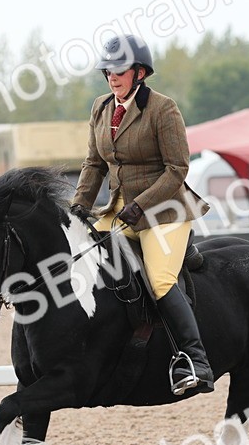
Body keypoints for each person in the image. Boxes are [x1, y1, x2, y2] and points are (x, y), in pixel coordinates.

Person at [70, 34, 213, 396]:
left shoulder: (163, 109)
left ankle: (195, 360)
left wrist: (140, 205)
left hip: (164, 212)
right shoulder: (101, 108)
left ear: (139, 72)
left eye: (119, 71)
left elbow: (177, 169)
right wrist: (78, 208)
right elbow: (94, 163)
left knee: (161, 280)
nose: (111, 78)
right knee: (81, 261)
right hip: (118, 210)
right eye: (107, 71)